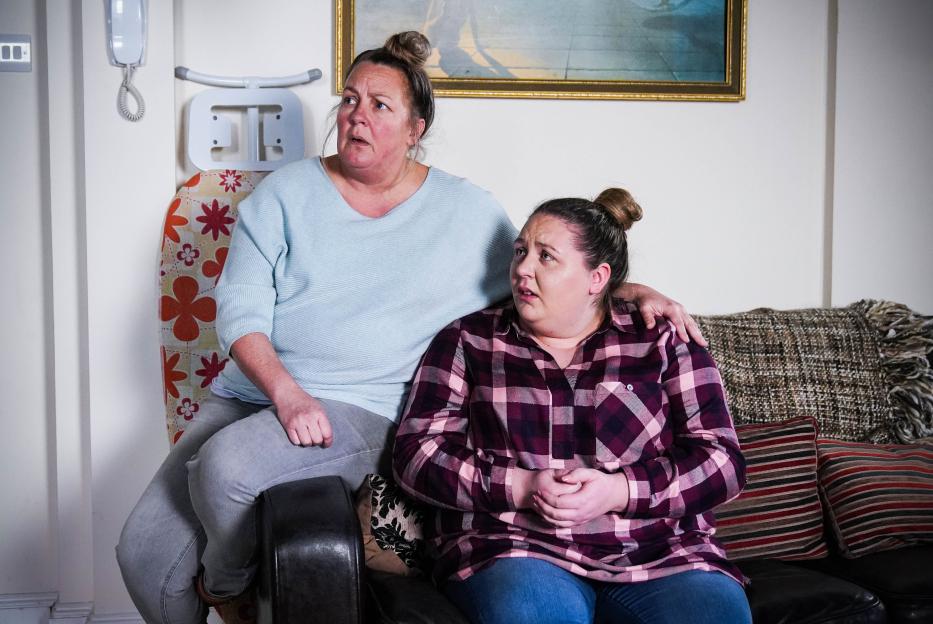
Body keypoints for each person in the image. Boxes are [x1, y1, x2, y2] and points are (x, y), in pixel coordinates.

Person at [117, 31, 706, 624]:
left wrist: (627, 290)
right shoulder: (285, 193)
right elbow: (240, 309)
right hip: (258, 391)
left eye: (380, 105)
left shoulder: (467, 212)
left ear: (415, 128)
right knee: (142, 556)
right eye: (349, 99)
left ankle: (227, 586)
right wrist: (286, 394)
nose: (357, 116)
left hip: (363, 407)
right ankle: (221, 585)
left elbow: (548, 272)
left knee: (226, 474)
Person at [393, 188, 751, 624]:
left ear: (597, 279)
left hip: (658, 553)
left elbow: (722, 461)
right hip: (516, 547)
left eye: (546, 257)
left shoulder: (661, 339)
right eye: (521, 251)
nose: (522, 268)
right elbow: (416, 454)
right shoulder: (469, 341)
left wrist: (619, 490)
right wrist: (520, 487)